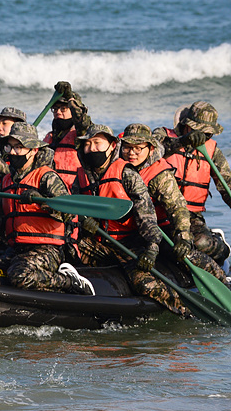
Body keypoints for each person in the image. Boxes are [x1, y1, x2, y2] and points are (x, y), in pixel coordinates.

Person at [73, 124, 189, 316]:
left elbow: (147, 216)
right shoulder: (81, 177)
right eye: (88, 144)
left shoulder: (126, 174)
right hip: (98, 244)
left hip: (129, 245)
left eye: (98, 143)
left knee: (144, 284)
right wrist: (82, 222)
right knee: (70, 248)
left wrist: (151, 250)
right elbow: (73, 213)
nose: (92, 148)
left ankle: (183, 312)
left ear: (111, 146)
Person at [118, 123, 226, 282]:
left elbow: (178, 208)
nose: (131, 153)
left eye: (138, 148)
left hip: (162, 230)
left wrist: (183, 238)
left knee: (188, 252)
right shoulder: (114, 165)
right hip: (131, 232)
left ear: (150, 149)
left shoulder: (160, 175)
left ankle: (222, 280)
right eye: (127, 147)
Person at [0, 123, 93, 294]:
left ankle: (70, 282)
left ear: (33, 150)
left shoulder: (47, 177)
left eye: (18, 147)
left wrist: (41, 200)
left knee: (19, 275)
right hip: (18, 247)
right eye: (9, 147)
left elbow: (68, 213)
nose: (12, 152)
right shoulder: (7, 180)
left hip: (47, 248)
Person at [156, 101, 231, 264]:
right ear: (188, 125)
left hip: (191, 215)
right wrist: (183, 141)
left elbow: (226, 183)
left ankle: (219, 245)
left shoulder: (212, 150)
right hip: (159, 211)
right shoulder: (163, 136)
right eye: (201, 132)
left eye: (209, 134)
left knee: (199, 243)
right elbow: (154, 153)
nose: (205, 138)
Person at [45, 81, 93, 188]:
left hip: (74, 189)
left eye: (63, 108)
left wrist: (70, 98)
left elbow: (82, 121)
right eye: (55, 109)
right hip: (52, 190)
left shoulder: (82, 134)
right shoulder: (50, 136)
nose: (58, 112)